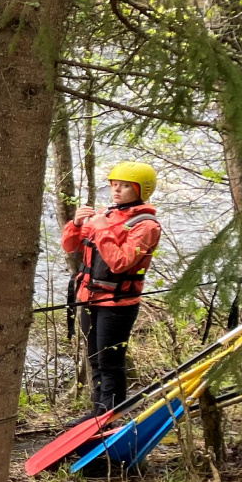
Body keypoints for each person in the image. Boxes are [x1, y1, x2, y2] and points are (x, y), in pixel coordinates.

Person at [61, 160, 161, 414]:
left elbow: (119, 263)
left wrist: (102, 228)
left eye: (124, 186)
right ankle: (98, 413)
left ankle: (109, 416)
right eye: (114, 184)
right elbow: (70, 246)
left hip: (118, 304)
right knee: (95, 360)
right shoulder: (106, 215)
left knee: (109, 362)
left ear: (140, 190)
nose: (116, 190)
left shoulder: (146, 226)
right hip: (89, 298)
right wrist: (76, 224)